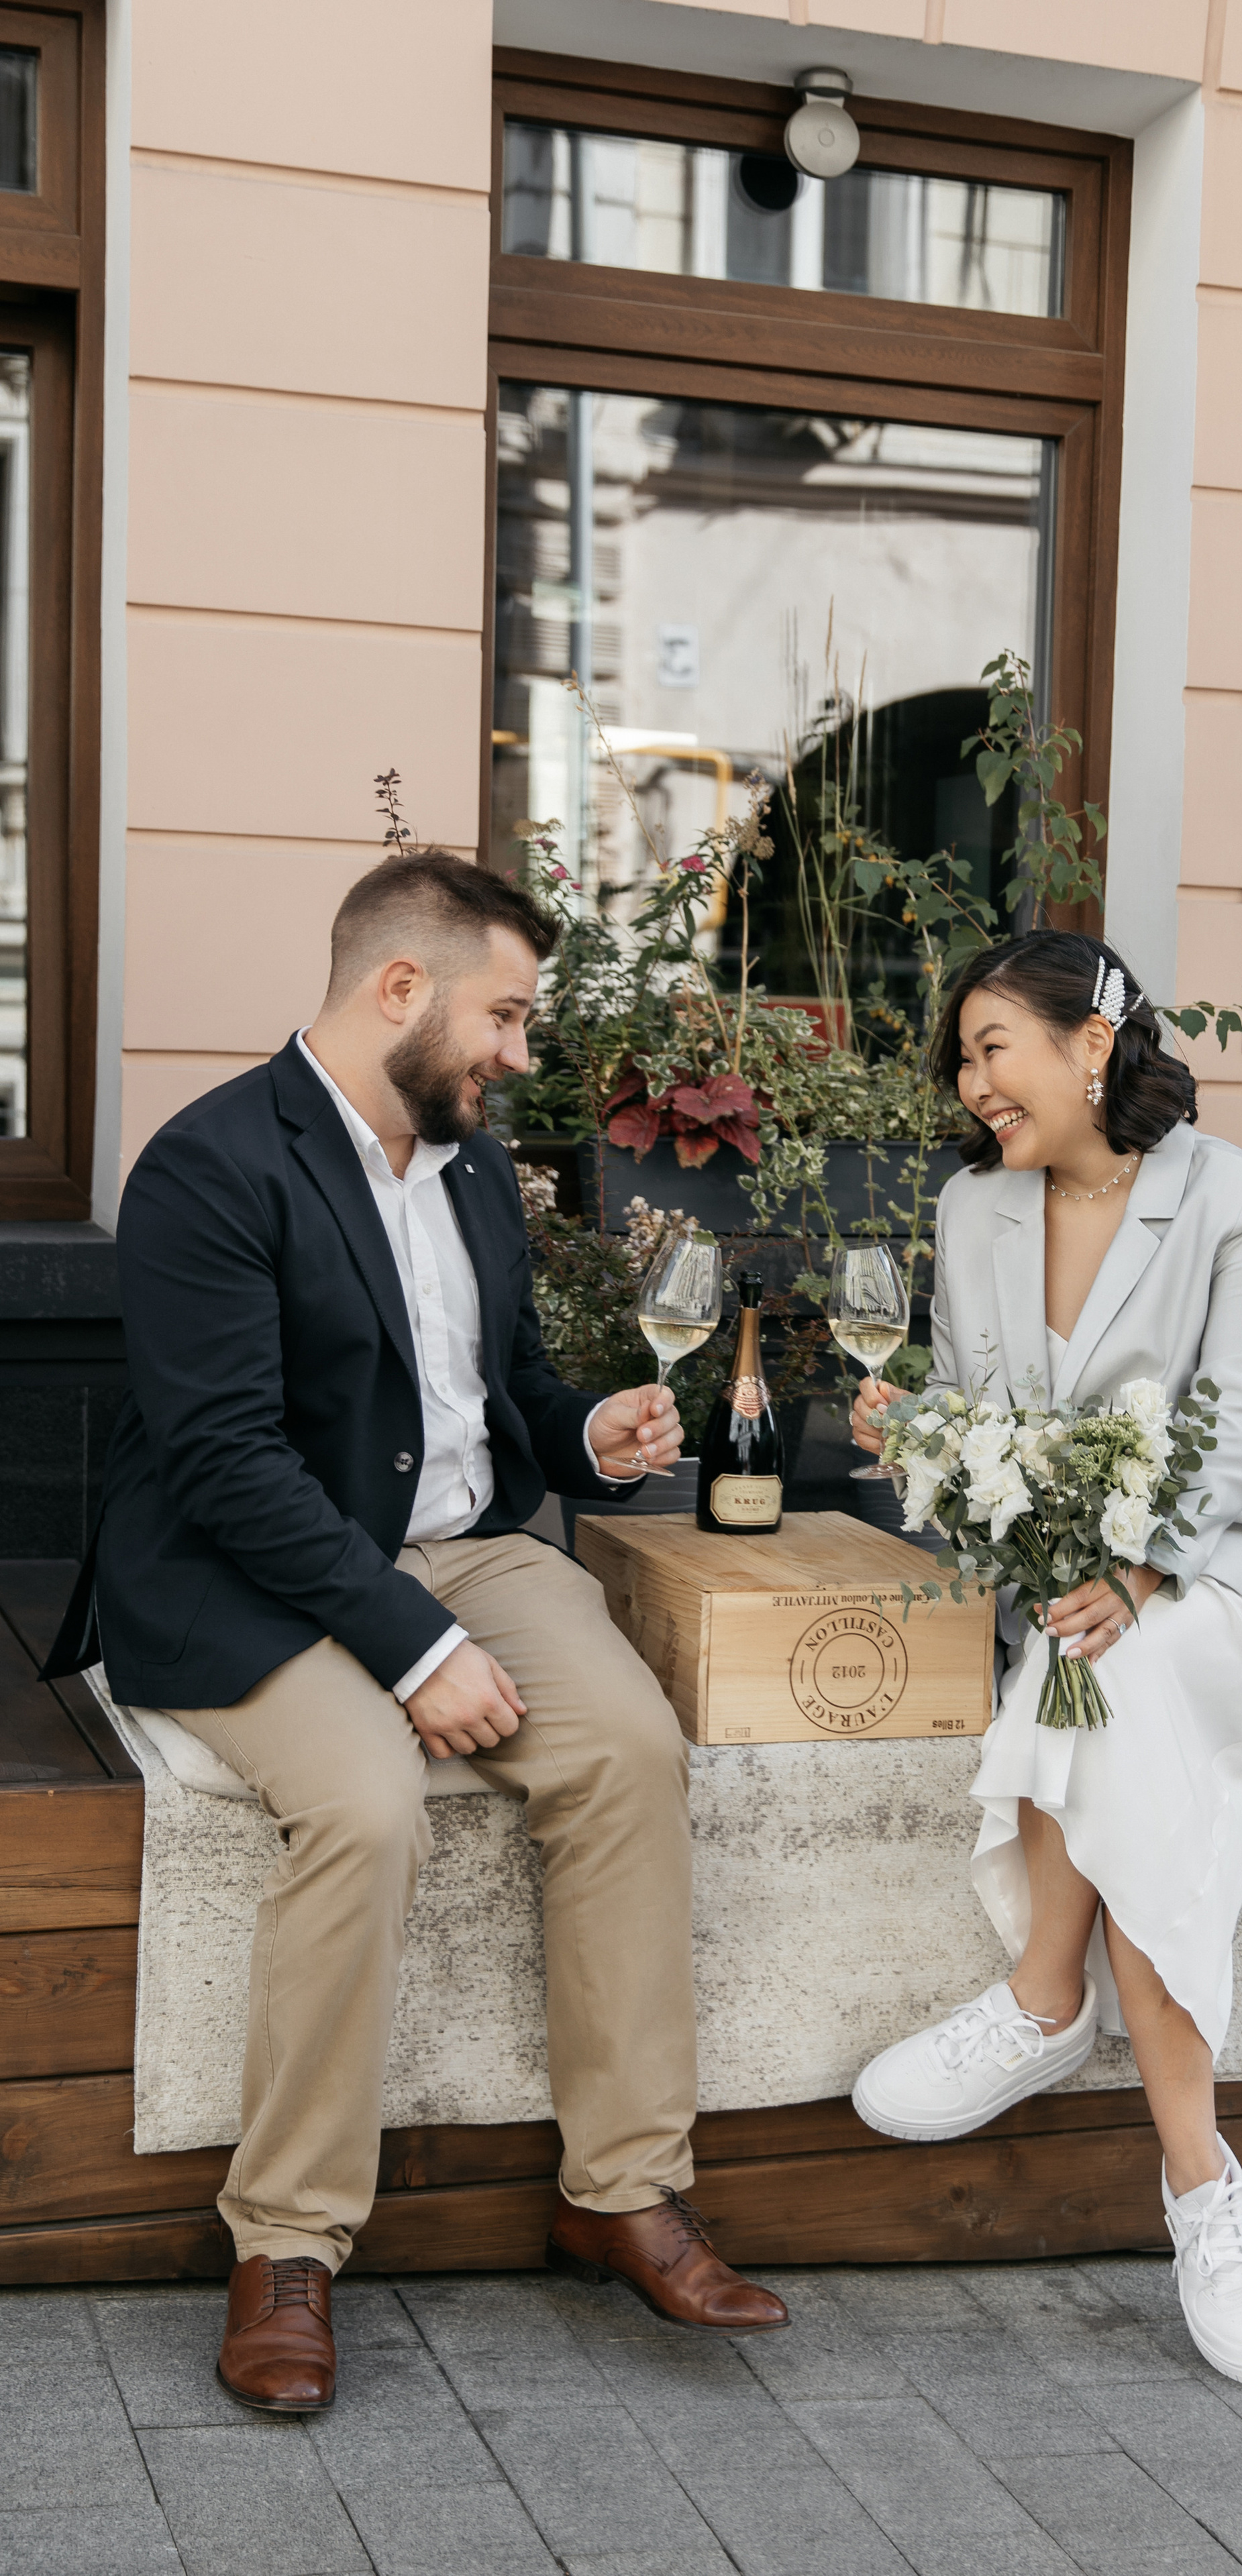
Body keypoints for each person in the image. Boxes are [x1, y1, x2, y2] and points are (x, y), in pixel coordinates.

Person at [46, 849, 788, 2414]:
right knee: (369, 1802)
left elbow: (504, 1391)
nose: (518, 1054)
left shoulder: (470, 1171)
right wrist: (415, 1650)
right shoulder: (207, 1166)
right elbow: (226, 1463)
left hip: (468, 1549)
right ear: (400, 989)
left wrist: (588, 1436)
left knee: (627, 1750)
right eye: (503, 1018)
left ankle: (621, 2192)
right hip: (247, 1574)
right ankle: (285, 2244)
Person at [846, 932, 1242, 2386]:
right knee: (1096, 1682)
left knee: (1108, 1682)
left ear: (1090, 1044)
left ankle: (1048, 2007)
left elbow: (1239, 1418)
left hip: (1238, 1564)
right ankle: (1197, 2184)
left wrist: (1140, 1573)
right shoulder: (973, 1206)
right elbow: (971, 1407)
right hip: (1071, 1580)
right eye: (960, 1058)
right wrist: (914, 1434)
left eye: (992, 1047)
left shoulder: (1238, 1198)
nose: (971, 1082)